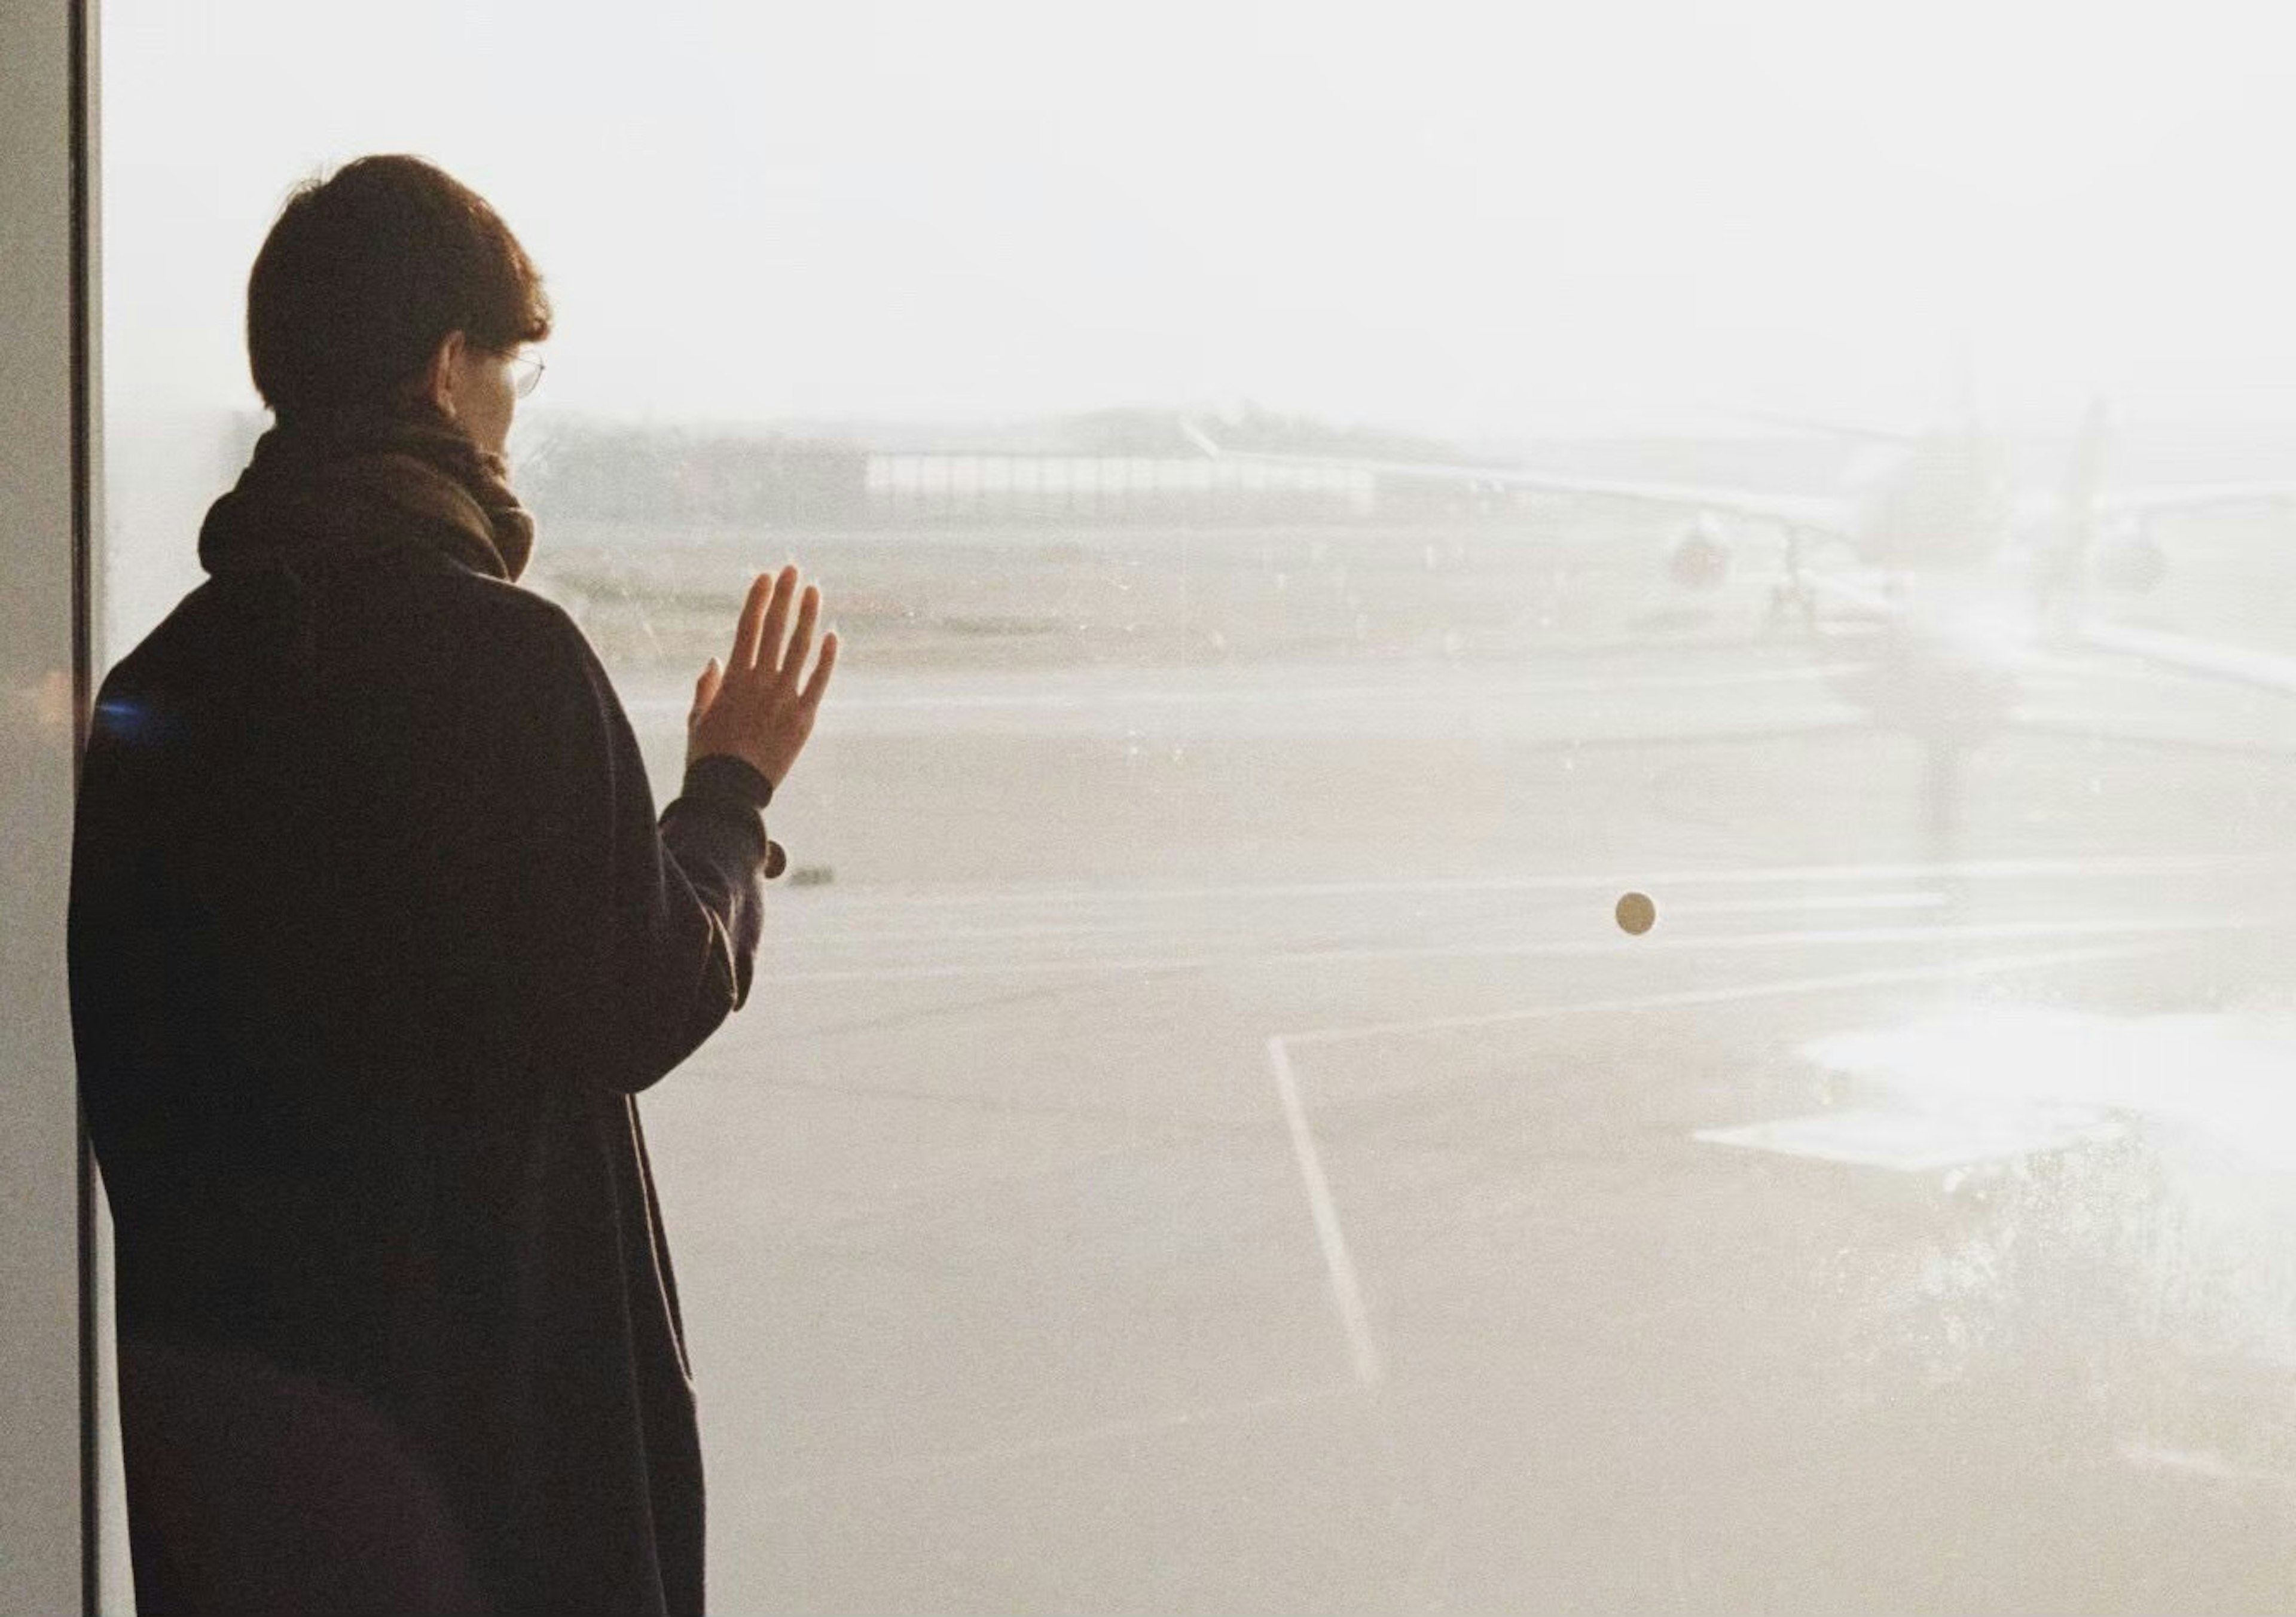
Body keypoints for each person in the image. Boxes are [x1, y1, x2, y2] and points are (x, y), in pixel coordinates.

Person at [67, 153, 835, 1616]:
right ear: (444, 372)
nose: (508, 422)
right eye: (509, 377)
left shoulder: (154, 695)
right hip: (487, 1501)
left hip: (242, 1496)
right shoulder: (506, 663)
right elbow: (638, 997)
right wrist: (730, 796)